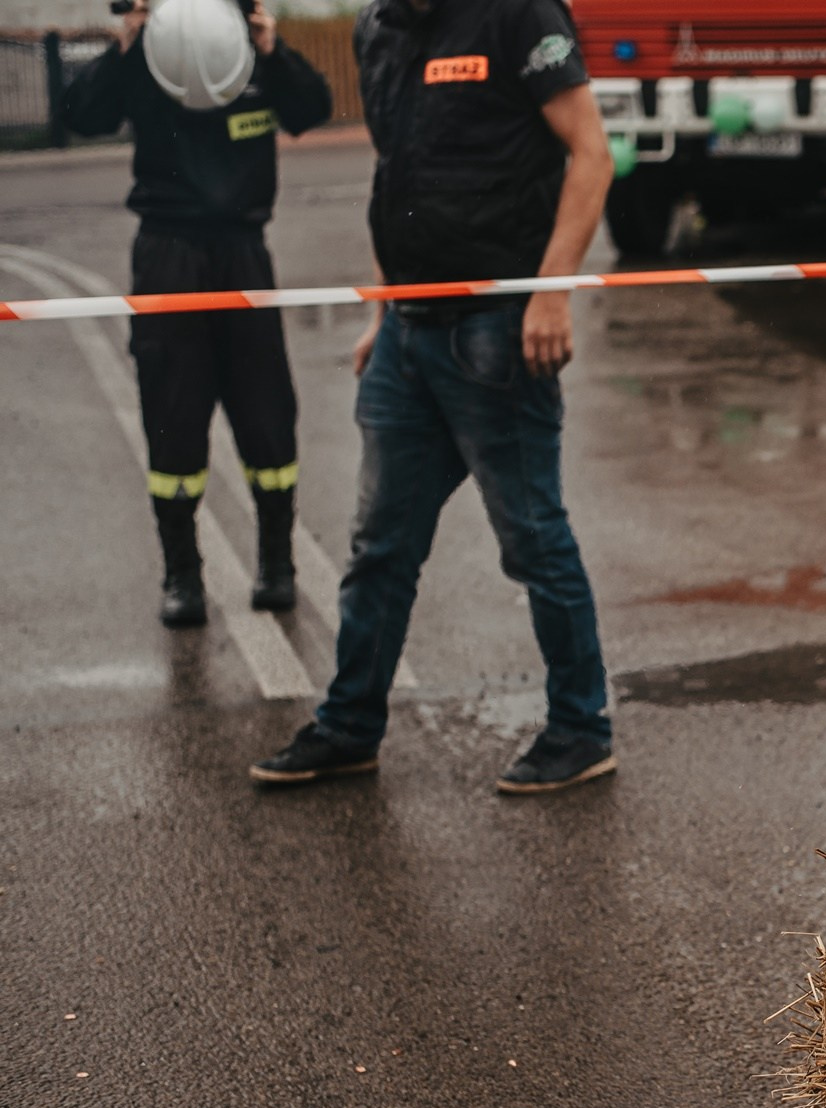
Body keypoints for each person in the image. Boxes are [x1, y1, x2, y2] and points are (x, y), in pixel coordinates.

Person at [250, 0, 616, 795]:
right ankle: (349, 726)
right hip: (407, 338)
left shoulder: (516, 14)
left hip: (498, 331)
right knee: (380, 546)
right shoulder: (377, 31)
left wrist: (550, 295)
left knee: (533, 540)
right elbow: (402, 178)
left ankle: (581, 728)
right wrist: (383, 311)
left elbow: (591, 154)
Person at [63, 0, 331, 627]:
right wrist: (124, 47)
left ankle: (277, 565)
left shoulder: (252, 45)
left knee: (267, 414)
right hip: (168, 252)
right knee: (172, 413)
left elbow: (312, 110)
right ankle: (182, 574)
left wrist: (273, 48)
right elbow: (81, 115)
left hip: (242, 251)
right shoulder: (154, 46)